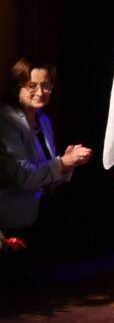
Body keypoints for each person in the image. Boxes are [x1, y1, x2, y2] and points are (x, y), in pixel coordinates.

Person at [0, 59, 90, 232]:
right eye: (32, 86)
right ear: (17, 87)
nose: (40, 92)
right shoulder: (6, 121)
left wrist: (69, 163)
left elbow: (47, 178)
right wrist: (62, 163)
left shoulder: (43, 120)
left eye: (46, 86)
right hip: (12, 220)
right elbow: (22, 176)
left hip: (40, 214)